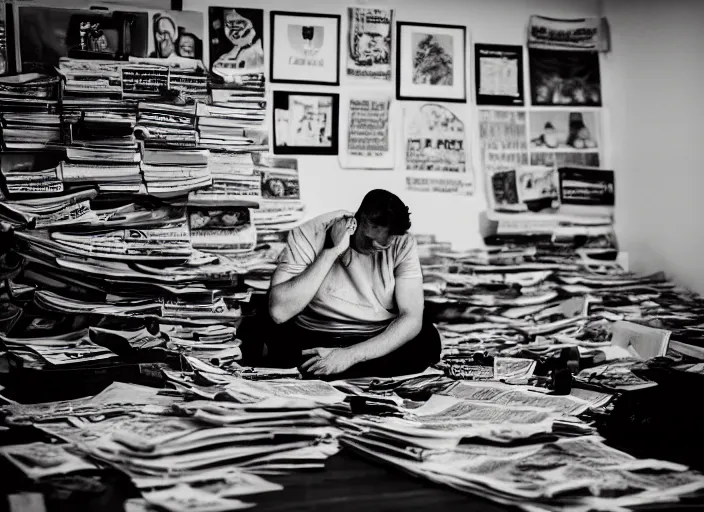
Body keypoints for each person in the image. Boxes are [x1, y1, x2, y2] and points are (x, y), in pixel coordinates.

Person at [245, 189, 441, 379]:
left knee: (427, 339)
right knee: (259, 328)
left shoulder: (403, 242)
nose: (377, 249)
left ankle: (330, 367)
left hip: (373, 338)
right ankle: (330, 367)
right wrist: (331, 251)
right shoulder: (309, 233)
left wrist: (349, 356)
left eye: (385, 245)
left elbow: (411, 318)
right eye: (371, 241)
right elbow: (279, 312)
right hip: (316, 333)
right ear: (358, 220)